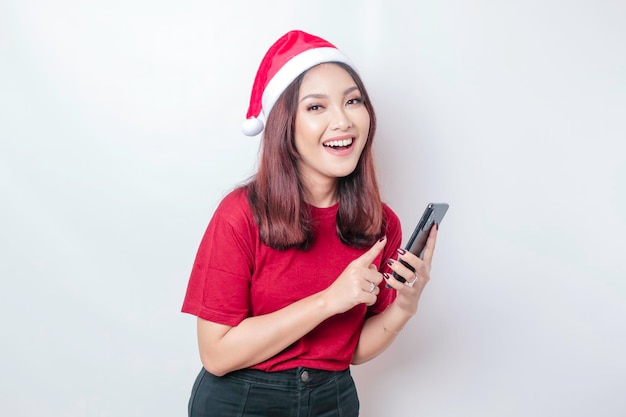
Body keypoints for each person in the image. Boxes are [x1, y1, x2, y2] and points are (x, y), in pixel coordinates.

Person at [182, 30, 439, 417]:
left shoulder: (380, 224)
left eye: (353, 101)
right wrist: (328, 301)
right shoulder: (240, 215)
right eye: (316, 107)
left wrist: (404, 307)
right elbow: (216, 353)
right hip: (242, 402)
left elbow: (347, 350)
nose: (343, 120)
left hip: (331, 400)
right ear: (286, 126)